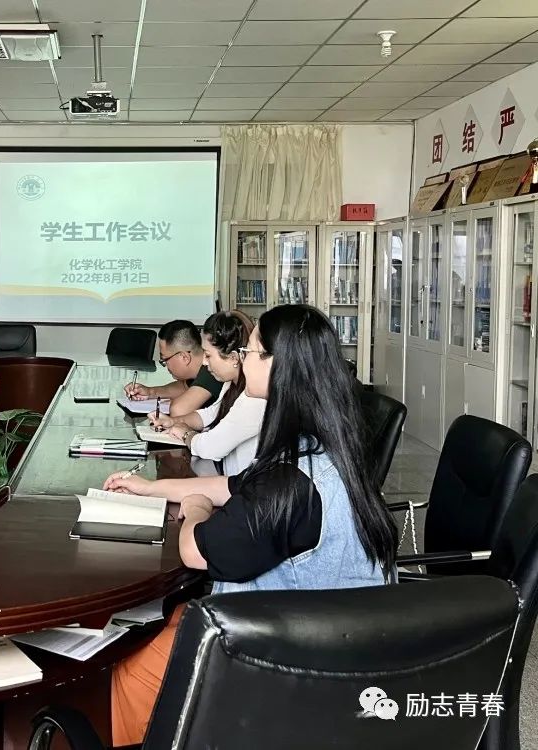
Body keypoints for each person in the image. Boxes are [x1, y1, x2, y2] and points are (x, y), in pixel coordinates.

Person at [104, 304, 398, 746]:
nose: (242, 358)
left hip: (289, 651)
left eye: (253, 352)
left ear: (282, 367)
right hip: (333, 626)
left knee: (131, 669)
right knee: (166, 620)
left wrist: (195, 507)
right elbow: (235, 485)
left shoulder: (290, 483)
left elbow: (195, 550)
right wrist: (150, 488)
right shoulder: (322, 446)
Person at [148, 310, 264, 476]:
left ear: (233, 358)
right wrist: (173, 422)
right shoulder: (231, 384)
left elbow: (209, 447)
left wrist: (186, 434)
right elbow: (210, 414)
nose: (203, 362)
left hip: (240, 482)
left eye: (208, 355)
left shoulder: (254, 398)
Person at [123, 319, 222, 418]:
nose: (165, 365)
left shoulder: (212, 370)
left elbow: (178, 411)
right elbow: (184, 387)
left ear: (184, 357)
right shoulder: (200, 367)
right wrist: (150, 392)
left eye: (165, 359)